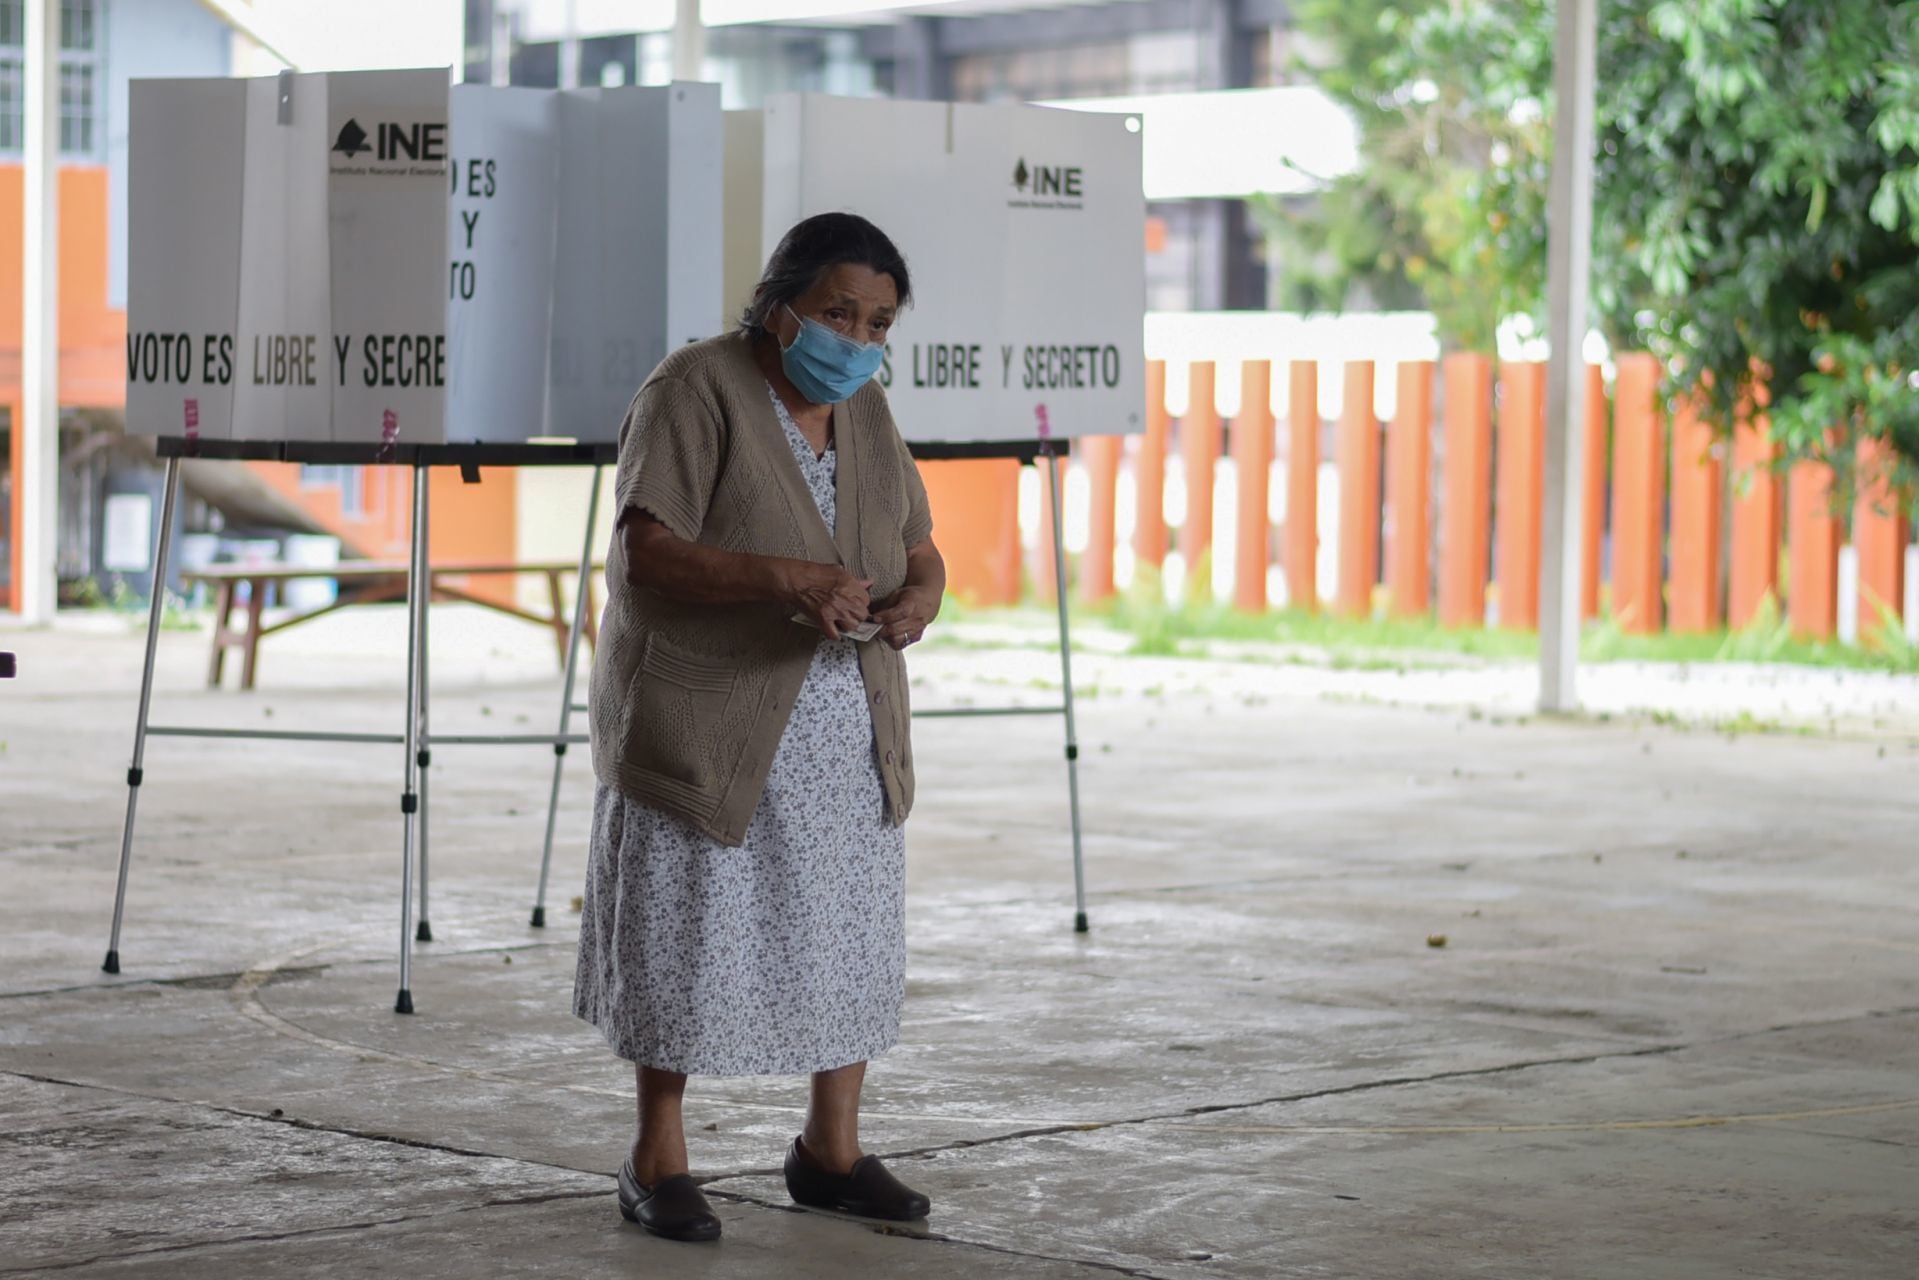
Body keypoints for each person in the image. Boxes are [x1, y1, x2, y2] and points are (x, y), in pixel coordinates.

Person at [573, 212, 947, 1244]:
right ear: (779, 306)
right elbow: (645, 553)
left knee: (848, 934)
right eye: (837, 312)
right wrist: (786, 578)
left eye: (876, 321)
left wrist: (922, 598)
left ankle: (828, 1149)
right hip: (708, 723)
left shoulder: (864, 408)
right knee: (688, 936)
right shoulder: (692, 389)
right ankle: (657, 1154)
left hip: (839, 728)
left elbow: (922, 547)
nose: (856, 337)